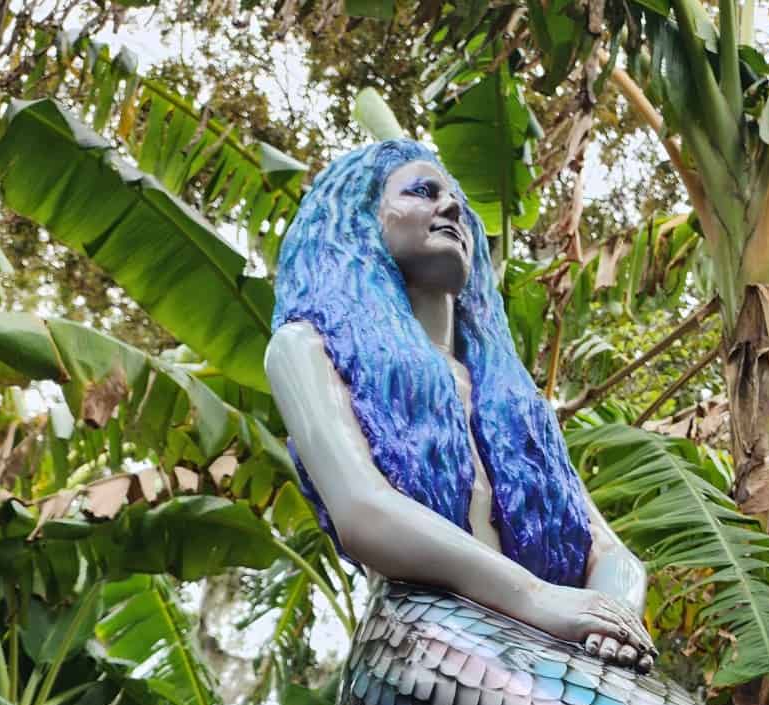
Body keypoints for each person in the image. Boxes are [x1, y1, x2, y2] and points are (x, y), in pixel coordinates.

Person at [266, 138, 657, 672]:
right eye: (422, 192)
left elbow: (610, 553)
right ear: (362, 220)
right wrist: (541, 600)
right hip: (416, 648)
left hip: (557, 657)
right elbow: (362, 511)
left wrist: (611, 617)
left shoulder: (511, 404)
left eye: (456, 203)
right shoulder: (304, 347)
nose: (450, 208)